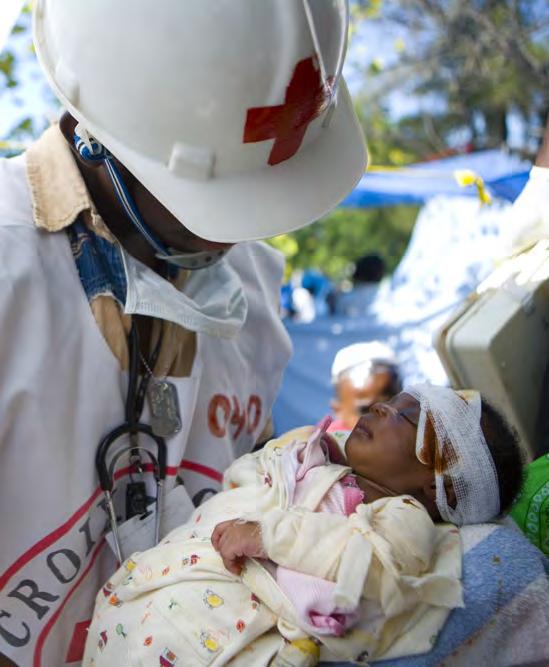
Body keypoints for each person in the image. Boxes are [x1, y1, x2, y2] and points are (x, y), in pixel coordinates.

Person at [0, 2, 367, 665]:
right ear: (97, 138)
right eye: (208, 198)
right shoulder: (9, 272)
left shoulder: (252, 289)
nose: (229, 234)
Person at [83, 384, 523, 666]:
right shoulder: (311, 457)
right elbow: (239, 484)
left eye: (405, 416)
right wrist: (289, 463)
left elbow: (372, 565)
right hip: (139, 605)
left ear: (437, 485)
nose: (379, 408)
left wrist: (269, 535)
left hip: (202, 641)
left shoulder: (403, 518)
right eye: (392, 401)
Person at [330, 342, 402, 430]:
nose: (384, 421)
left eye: (392, 408)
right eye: (365, 411)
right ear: (338, 410)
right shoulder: (320, 442)